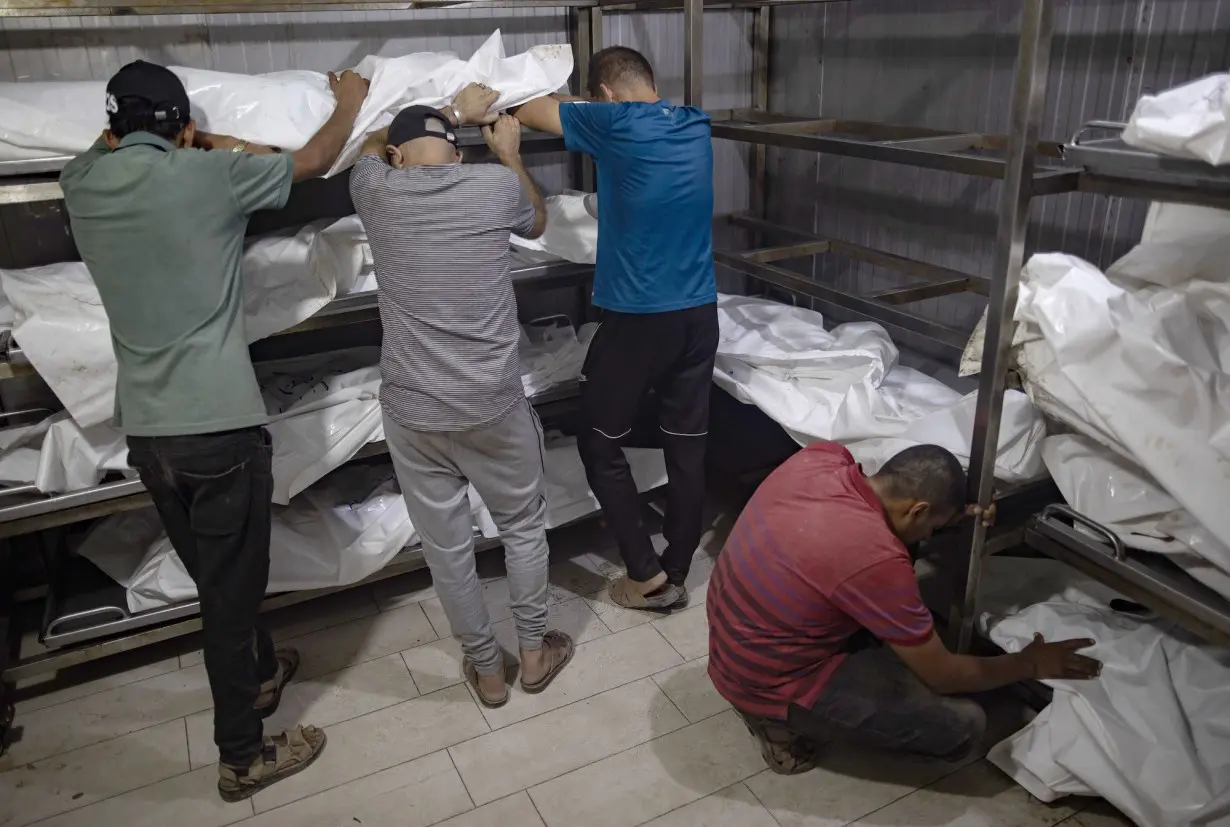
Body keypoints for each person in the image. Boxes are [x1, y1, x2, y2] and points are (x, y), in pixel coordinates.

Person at [58, 59, 368, 802]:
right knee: (229, 598)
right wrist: (351, 97)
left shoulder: (82, 185)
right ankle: (242, 754)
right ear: (185, 129)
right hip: (220, 428)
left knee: (216, 577)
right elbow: (318, 160)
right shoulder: (212, 178)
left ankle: (259, 672)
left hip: (152, 436)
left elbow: (102, 150)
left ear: (111, 128)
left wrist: (159, 137)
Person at [349, 98, 573, 709]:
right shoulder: (492, 183)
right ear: (456, 148)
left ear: (399, 157)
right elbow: (535, 222)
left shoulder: (377, 191)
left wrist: (438, 114)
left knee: (447, 550)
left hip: (414, 412)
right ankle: (533, 653)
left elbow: (367, 146)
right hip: (491, 405)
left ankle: (487, 671)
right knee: (523, 528)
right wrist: (505, 152)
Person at [706, 442, 1103, 773]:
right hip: (765, 678)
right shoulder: (874, 559)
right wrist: (1030, 664)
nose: (932, 535)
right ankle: (772, 721)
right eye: (932, 525)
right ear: (917, 509)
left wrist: (953, 511)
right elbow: (945, 677)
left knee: (906, 625)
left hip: (737, 634)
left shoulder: (821, 458)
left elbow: (901, 524)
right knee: (962, 725)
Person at [509, 46, 717, 612]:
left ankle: (645, 577)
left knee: (599, 442)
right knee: (687, 449)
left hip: (639, 321)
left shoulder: (613, 122)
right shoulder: (694, 122)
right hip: (699, 316)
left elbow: (529, 109)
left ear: (602, 97)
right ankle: (676, 567)